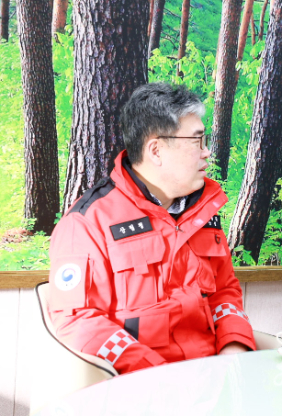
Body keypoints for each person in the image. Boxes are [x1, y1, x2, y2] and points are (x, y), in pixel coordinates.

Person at [48, 83, 254, 374]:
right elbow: (76, 319)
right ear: (156, 150)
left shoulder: (204, 212)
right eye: (197, 141)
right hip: (135, 388)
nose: (207, 152)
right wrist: (157, 378)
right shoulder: (86, 223)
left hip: (211, 380)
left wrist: (234, 353)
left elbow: (224, 293)